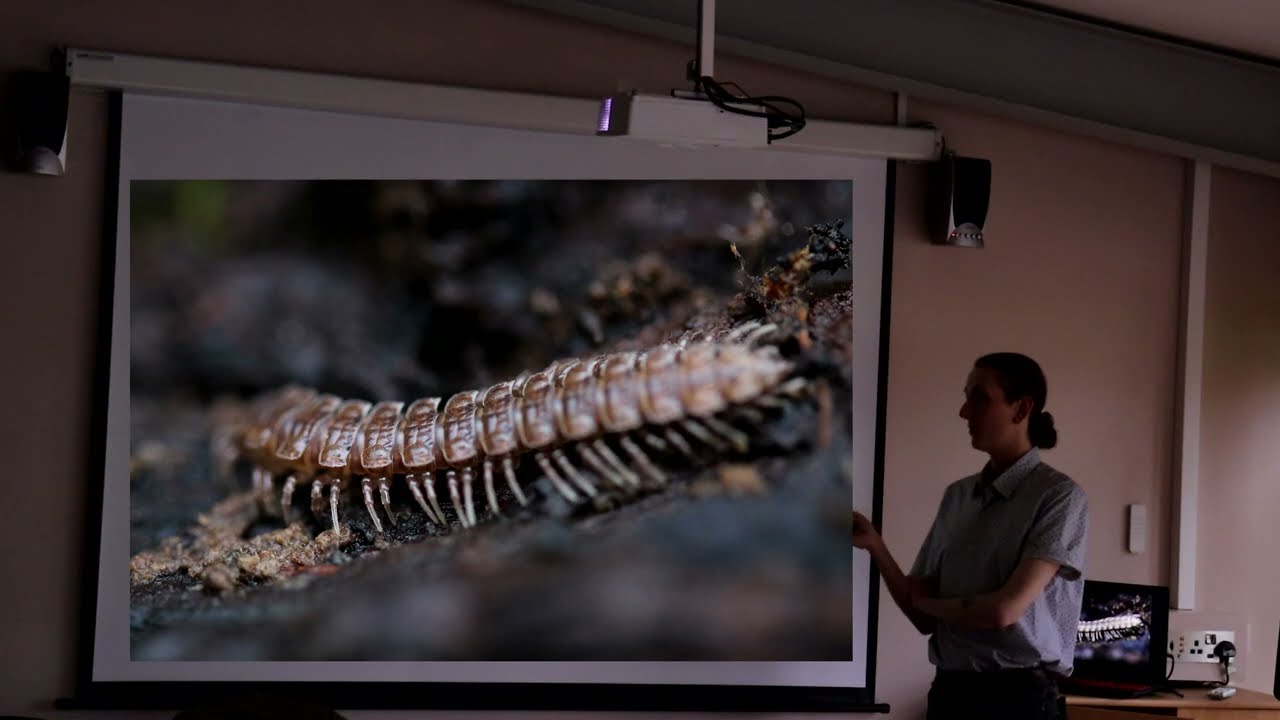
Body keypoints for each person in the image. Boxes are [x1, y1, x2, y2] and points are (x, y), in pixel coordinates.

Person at [853, 352, 1089, 720]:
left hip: (1019, 702)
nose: (964, 411)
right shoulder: (958, 496)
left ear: (1021, 408)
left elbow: (1003, 611)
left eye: (980, 397)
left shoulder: (1059, 496)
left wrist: (928, 604)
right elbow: (924, 622)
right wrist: (876, 547)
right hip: (950, 693)